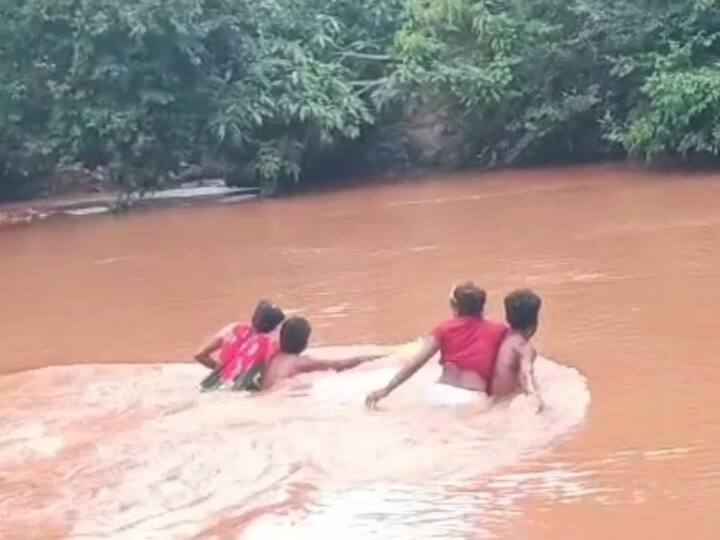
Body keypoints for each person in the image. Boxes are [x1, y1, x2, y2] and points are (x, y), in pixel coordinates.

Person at [365, 282, 507, 408]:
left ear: (455, 306)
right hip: (473, 398)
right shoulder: (499, 331)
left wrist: (386, 389)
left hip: (439, 394)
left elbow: (416, 362)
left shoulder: (443, 329)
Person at [259, 316, 383, 390]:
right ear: (303, 342)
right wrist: (377, 358)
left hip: (265, 397)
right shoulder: (299, 362)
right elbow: (339, 365)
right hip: (278, 397)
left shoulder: (273, 357)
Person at [194, 300, 285, 391]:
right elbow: (268, 379)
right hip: (235, 392)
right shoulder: (271, 344)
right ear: (275, 326)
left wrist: (222, 370)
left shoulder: (233, 328)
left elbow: (199, 355)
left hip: (207, 386)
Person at [491, 289, 544, 408]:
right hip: (506, 404)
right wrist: (534, 397)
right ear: (535, 323)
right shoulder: (524, 347)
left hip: (490, 399)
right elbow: (526, 372)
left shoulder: (501, 336)